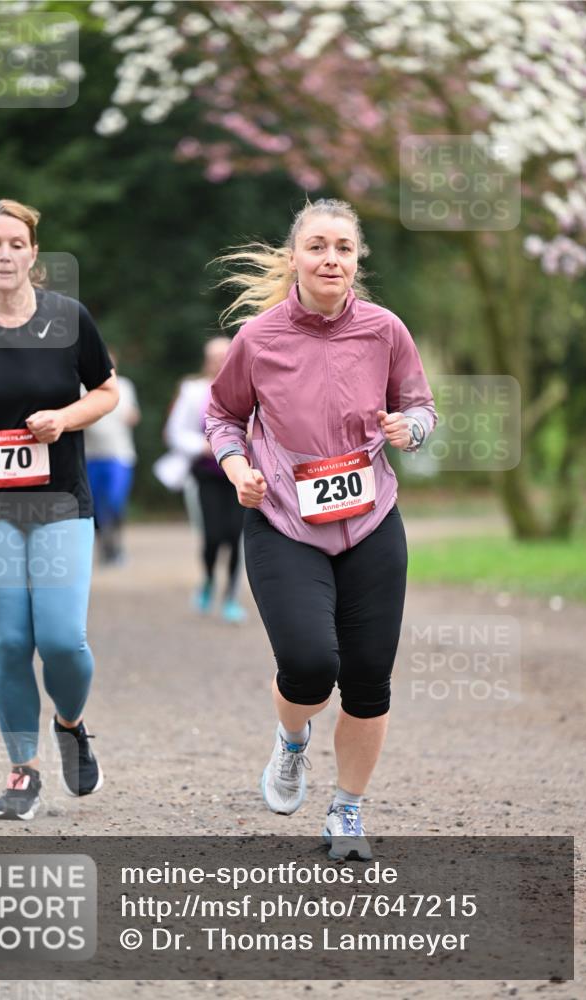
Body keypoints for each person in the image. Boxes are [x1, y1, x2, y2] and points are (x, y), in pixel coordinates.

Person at [206, 198, 436, 859]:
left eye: (342, 246)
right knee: (309, 666)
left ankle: (346, 812)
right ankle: (291, 743)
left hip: (370, 523)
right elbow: (222, 415)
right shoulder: (259, 338)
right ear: (295, 258)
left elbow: (419, 405)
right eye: (316, 246)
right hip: (283, 521)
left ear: (356, 258)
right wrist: (234, 464)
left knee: (367, 679)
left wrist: (409, 427)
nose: (330, 257)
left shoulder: (385, 331)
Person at [0, 199, 119, 820]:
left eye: (17, 243)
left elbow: (107, 393)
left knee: (62, 641)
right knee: (10, 643)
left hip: (60, 502)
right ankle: (22, 773)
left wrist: (63, 418)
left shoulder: (69, 319)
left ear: (34, 254)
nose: (6, 254)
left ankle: (70, 722)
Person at [158, 337, 246, 624]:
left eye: (226, 355)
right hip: (206, 474)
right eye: (215, 356)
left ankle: (231, 596)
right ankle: (208, 580)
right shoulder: (193, 390)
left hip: (241, 475)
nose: (221, 361)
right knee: (212, 536)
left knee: (235, 536)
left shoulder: (248, 387)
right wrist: (204, 446)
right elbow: (174, 432)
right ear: (207, 361)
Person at [84, 350, 140, 565]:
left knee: (115, 502)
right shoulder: (82, 387)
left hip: (119, 455)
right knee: (95, 507)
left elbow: (133, 414)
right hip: (91, 456)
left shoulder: (124, 386)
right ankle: (105, 547)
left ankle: (116, 543)